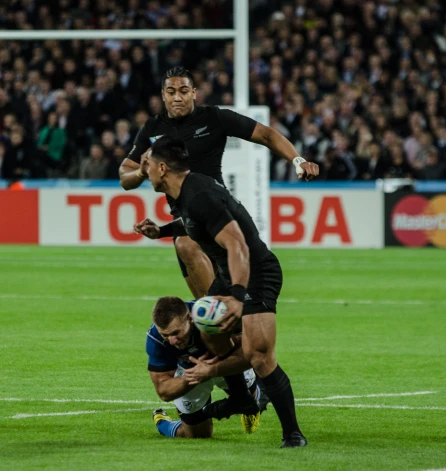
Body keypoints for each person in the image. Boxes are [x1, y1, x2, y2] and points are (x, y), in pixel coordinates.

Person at [134, 137, 307, 448]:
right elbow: (191, 224)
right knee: (206, 326)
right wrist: (160, 231)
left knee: (260, 356)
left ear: (162, 167)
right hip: (230, 276)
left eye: (146, 164)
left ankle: (293, 435)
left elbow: (237, 245)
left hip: (257, 274)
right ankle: (242, 398)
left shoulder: (199, 195)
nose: (143, 170)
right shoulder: (186, 194)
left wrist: (238, 296)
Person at [118, 67, 318, 299]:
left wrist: (298, 160)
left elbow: (266, 134)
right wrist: (142, 171)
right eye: (171, 92)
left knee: (189, 249)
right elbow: (125, 176)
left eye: (183, 91)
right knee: (210, 313)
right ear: (163, 95)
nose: (177, 98)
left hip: (215, 208)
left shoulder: (213, 117)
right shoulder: (153, 128)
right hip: (186, 220)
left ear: (194, 93)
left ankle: (225, 311)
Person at [147, 296, 267, 438]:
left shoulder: (212, 314)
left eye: (176, 333)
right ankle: (163, 423)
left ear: (190, 318)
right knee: (198, 435)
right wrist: (193, 376)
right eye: (165, 335)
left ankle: (254, 397)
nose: (172, 341)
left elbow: (253, 352)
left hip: (225, 363)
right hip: (190, 373)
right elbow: (163, 391)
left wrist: (213, 369)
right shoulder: (155, 339)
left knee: (250, 400)